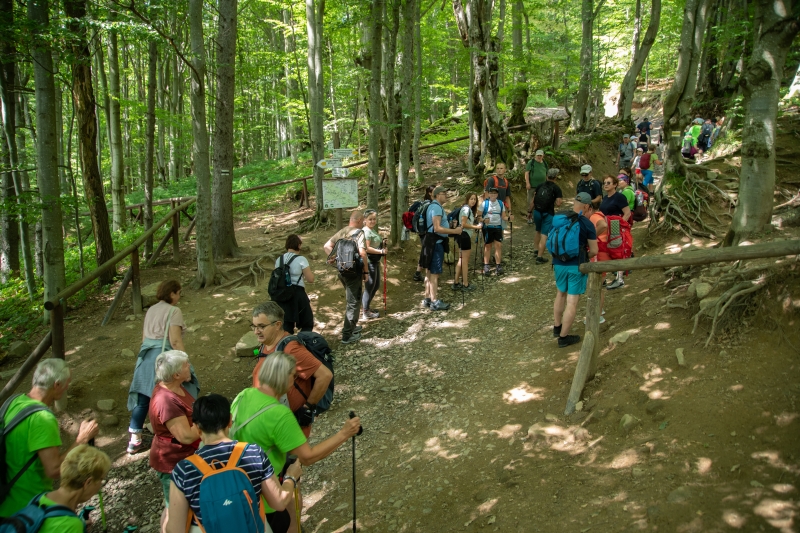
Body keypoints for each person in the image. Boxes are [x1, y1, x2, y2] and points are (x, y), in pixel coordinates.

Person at [231, 352, 362, 533]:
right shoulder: (279, 414)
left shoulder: (243, 395)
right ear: (282, 376)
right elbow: (308, 457)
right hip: (265, 496)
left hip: (236, 485)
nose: (295, 380)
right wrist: (344, 433)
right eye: (293, 375)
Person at [167, 394, 302, 533]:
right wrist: (291, 477)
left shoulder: (184, 470)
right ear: (230, 421)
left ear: (196, 427)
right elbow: (279, 502)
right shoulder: (253, 453)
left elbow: (175, 530)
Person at [0, 359, 98, 517]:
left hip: (5, 499)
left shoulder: (14, 402)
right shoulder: (43, 418)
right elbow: (54, 470)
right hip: (27, 508)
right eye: (67, 383)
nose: (67, 387)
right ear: (57, 384)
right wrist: (82, 439)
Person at [249, 302, 333, 438]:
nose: (256, 331)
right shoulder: (266, 345)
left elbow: (325, 375)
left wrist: (307, 409)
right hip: (271, 423)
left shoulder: (291, 349)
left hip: (289, 426)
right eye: (254, 326)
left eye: (261, 326)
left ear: (277, 325)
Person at [128, 279, 188, 455]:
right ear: (172, 293)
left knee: (143, 398)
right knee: (172, 393)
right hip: (164, 358)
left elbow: (144, 338)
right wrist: (185, 362)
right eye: (178, 293)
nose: (179, 297)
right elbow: (175, 340)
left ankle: (134, 440)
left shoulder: (151, 310)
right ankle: (176, 432)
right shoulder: (174, 311)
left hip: (146, 356)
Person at [0, 445, 111, 532]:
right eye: (100, 479)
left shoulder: (41, 498)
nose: (100, 485)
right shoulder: (71, 525)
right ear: (88, 482)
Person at [149, 350, 202, 533]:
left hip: (183, 457)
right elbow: (185, 436)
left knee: (175, 505)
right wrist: (207, 421)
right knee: (175, 510)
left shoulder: (175, 387)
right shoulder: (166, 400)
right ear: (176, 374)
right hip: (172, 461)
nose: (190, 366)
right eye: (186, 364)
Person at [552, 192, 598, 348]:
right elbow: (594, 250)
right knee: (572, 302)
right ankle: (563, 337)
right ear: (587, 206)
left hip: (558, 263)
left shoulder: (561, 218)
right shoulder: (586, 223)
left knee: (560, 293)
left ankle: (557, 327)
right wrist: (584, 255)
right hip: (575, 266)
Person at [323, 211, 369, 344]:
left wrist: (335, 258)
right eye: (363, 220)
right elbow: (362, 253)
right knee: (353, 303)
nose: (363, 223)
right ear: (359, 220)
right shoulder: (359, 233)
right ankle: (347, 335)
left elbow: (327, 246)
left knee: (352, 300)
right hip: (354, 272)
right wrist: (366, 272)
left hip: (342, 271)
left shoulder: (343, 231)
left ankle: (352, 327)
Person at [421, 186, 462, 310]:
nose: (446, 195)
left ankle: (427, 298)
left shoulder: (432, 206)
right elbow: (437, 228)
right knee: (435, 273)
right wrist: (454, 231)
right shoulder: (436, 208)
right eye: (444, 193)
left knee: (429, 271)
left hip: (430, 242)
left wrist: (449, 226)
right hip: (436, 243)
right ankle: (434, 302)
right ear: (438, 195)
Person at [275, 234, 315, 333]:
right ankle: (304, 341)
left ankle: (286, 342)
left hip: (282, 295)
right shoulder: (301, 259)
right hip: (297, 294)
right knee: (307, 322)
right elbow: (310, 279)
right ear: (299, 245)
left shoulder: (279, 260)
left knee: (286, 326)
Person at [600, 175, 632, 290]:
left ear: (615, 185)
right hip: (606, 227)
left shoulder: (619, 197)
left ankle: (620, 279)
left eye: (608, 183)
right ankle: (605, 276)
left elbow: (627, 213)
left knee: (618, 250)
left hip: (615, 226)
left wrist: (619, 225)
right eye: (604, 183)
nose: (606, 185)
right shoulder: (605, 198)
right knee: (607, 249)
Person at [530, 168, 563, 265]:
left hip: (537, 211)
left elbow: (533, 200)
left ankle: (536, 250)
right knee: (544, 234)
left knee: (538, 230)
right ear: (555, 177)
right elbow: (558, 203)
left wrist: (529, 211)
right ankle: (539, 257)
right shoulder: (556, 188)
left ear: (547, 176)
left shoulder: (540, 185)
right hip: (548, 213)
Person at [452, 193, 482, 291]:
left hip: (461, 235)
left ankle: (456, 282)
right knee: (465, 261)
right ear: (467, 199)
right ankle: (465, 284)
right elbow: (463, 224)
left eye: (475, 199)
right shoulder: (466, 209)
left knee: (461, 260)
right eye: (471, 199)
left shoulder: (467, 209)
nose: (473, 201)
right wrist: (476, 227)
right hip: (464, 236)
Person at [479, 187, 513, 276]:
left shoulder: (501, 203)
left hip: (498, 227)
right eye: (491, 193)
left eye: (495, 193)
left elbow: (503, 216)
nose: (493, 195)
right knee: (488, 246)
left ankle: (498, 265)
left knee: (498, 245)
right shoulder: (484, 204)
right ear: (488, 194)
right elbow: (478, 216)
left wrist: (509, 218)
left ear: (497, 194)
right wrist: (483, 220)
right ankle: (486, 266)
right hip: (487, 227)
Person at [361, 209, 387, 320]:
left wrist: (382, 244)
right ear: (365, 220)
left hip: (374, 261)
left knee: (375, 286)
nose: (372, 221)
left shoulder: (371, 230)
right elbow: (366, 248)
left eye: (374, 219)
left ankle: (366, 308)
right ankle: (365, 311)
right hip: (369, 262)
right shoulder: (366, 231)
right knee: (370, 286)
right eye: (370, 219)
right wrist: (381, 251)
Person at [587, 203, 608, 324]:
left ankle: (597, 315)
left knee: (596, 285)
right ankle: (600, 310)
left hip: (599, 254)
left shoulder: (594, 216)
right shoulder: (600, 214)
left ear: (590, 209)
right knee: (598, 284)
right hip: (603, 253)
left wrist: (591, 237)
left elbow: (603, 225)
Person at [411, 186, 435, 282]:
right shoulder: (429, 204)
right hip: (426, 232)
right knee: (427, 253)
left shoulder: (425, 203)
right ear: (430, 193)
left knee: (424, 252)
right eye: (434, 191)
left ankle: (417, 274)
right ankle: (428, 276)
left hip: (423, 232)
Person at [525, 150, 548, 223]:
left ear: (543, 156)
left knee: (541, 201)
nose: (539, 157)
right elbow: (527, 173)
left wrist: (547, 183)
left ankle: (538, 217)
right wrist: (527, 183)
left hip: (542, 186)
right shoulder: (531, 162)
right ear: (535, 155)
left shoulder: (544, 163)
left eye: (540, 155)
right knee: (530, 201)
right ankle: (529, 217)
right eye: (538, 155)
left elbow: (546, 174)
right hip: (532, 186)